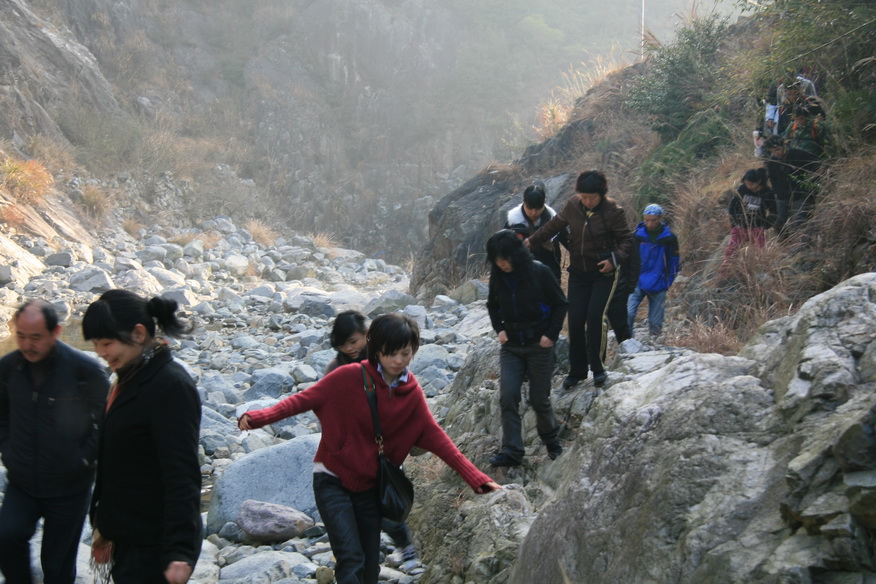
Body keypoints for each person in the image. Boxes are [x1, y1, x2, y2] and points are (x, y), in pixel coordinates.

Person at [238, 313, 500, 584]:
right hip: (333, 478)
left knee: (370, 565)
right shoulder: (348, 376)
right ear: (376, 350)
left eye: (405, 353)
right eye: (391, 354)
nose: (399, 361)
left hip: (371, 487)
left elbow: (436, 438)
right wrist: (259, 417)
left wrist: (477, 478)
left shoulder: (411, 393)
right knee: (351, 557)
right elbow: (302, 400)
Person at [82, 290, 202, 584]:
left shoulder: (170, 387)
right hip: (126, 538)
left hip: (152, 549)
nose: (101, 352)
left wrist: (180, 550)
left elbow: (182, 474)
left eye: (107, 343)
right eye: (96, 344)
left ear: (138, 334)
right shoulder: (127, 378)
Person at [0, 300, 108, 584]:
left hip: (69, 487)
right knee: (6, 536)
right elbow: (1, 416)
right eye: (20, 336)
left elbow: (106, 425)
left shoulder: (84, 371)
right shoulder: (8, 369)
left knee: (57, 566)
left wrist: (84, 459)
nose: (27, 344)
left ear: (56, 332)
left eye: (35, 337)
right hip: (23, 480)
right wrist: (8, 450)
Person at [323, 311, 420, 571]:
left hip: (383, 447)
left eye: (354, 341)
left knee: (387, 497)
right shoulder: (335, 369)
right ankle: (366, 560)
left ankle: (406, 547)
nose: (350, 348)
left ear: (366, 336)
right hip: (351, 450)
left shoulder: (382, 356)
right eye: (344, 344)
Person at [526, 170, 634, 389]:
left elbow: (627, 241)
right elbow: (553, 225)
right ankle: (577, 371)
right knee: (574, 320)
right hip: (578, 273)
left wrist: (614, 260)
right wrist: (530, 241)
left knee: (595, 317)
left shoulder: (614, 211)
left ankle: (598, 368)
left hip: (603, 273)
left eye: (592, 198)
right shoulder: (573, 205)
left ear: (602, 194)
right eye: (584, 197)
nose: (587, 201)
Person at [485, 230, 568, 467]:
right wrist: (499, 329)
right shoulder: (497, 275)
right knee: (508, 396)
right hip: (511, 347)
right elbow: (492, 305)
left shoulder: (539, 272)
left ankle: (551, 441)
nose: (502, 264)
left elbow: (560, 304)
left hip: (538, 346)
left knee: (538, 400)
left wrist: (550, 335)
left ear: (517, 255)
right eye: (497, 260)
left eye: (505, 259)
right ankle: (512, 451)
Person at [627, 205, 681, 338]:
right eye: (647, 220)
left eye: (654, 220)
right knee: (628, 313)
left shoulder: (669, 238)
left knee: (656, 323)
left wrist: (668, 281)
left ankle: (655, 347)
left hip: (659, 282)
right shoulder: (636, 236)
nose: (650, 223)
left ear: (660, 219)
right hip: (637, 282)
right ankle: (626, 343)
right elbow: (628, 259)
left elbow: (674, 261)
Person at [504, 182, 569, 281]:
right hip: (522, 277)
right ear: (524, 202)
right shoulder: (513, 223)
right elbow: (501, 248)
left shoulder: (554, 222)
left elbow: (570, 243)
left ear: (544, 204)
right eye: (529, 208)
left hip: (550, 276)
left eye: (538, 208)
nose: (533, 213)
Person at [720, 168, 777, 276]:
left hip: (757, 228)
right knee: (730, 252)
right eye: (746, 183)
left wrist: (765, 225)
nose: (748, 186)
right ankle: (723, 276)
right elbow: (732, 207)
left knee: (760, 253)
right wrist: (734, 223)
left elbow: (774, 212)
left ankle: (762, 275)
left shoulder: (767, 193)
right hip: (740, 227)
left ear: (758, 182)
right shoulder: (742, 189)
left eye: (751, 184)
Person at [763, 135, 821, 239]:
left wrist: (811, 186)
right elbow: (772, 178)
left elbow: (816, 166)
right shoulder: (772, 162)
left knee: (799, 221)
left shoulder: (798, 155)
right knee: (778, 222)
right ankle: (784, 242)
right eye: (773, 151)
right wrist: (777, 192)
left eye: (778, 149)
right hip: (782, 196)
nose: (777, 153)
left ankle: (802, 245)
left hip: (801, 194)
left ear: (784, 146)